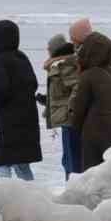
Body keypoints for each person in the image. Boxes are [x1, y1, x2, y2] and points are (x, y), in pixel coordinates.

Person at [0, 19, 41, 180]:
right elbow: (33, 84)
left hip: (9, 123)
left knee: (2, 161)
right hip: (27, 121)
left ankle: (4, 192)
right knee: (21, 162)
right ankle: (33, 193)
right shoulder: (22, 57)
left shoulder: (2, 61)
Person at [69, 31, 111, 171]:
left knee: (92, 172)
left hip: (95, 132)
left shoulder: (89, 75)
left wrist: (75, 127)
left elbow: (79, 108)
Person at [42, 33, 82, 178]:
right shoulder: (58, 64)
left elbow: (76, 87)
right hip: (66, 118)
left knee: (72, 160)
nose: (47, 50)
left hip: (70, 119)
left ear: (55, 49)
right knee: (67, 159)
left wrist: (70, 109)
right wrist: (47, 101)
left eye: (49, 48)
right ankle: (70, 185)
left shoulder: (64, 64)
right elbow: (63, 92)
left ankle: (74, 189)